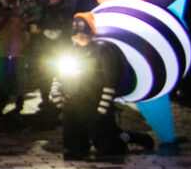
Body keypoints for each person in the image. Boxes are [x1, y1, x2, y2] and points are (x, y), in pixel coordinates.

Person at [52, 16, 156, 159]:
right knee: (74, 148)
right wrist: (56, 92)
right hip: (74, 105)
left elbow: (110, 84)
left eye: (81, 27)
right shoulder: (70, 51)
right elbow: (58, 76)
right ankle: (85, 137)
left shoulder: (103, 51)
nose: (77, 32)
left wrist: (101, 112)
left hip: (96, 104)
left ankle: (126, 136)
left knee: (110, 148)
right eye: (75, 27)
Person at [0, 0, 28, 113]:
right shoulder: (0, 11)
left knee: (19, 74)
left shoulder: (21, 10)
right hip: (4, 46)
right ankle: (4, 97)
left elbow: (25, 27)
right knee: (4, 75)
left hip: (18, 47)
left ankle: (19, 98)